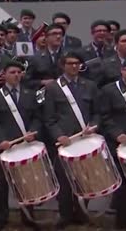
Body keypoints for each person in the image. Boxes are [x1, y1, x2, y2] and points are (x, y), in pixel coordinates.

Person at [43, 52, 100, 230]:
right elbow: (49, 118)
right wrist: (58, 135)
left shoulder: (90, 86)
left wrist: (95, 125)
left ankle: (81, 212)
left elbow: (98, 112)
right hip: (65, 141)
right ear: (63, 65)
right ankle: (65, 214)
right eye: (70, 63)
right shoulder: (53, 88)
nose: (74, 66)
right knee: (65, 179)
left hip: (86, 139)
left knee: (85, 178)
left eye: (77, 63)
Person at [0, 60, 41, 231]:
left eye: (19, 72)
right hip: (5, 146)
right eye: (12, 72)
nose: (16, 75)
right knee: (1, 186)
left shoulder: (30, 93)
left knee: (27, 183)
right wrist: (0, 140)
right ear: (4, 75)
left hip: (25, 145)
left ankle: (28, 217)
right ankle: (1, 219)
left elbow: (38, 117)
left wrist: (34, 131)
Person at [100, 57, 126, 229]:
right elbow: (105, 117)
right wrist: (117, 134)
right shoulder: (109, 91)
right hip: (121, 144)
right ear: (122, 71)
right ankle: (122, 221)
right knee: (123, 186)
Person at [25, 24, 66, 90]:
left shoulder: (69, 56)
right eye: (54, 34)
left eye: (60, 34)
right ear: (46, 37)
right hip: (44, 94)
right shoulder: (35, 58)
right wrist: (42, 82)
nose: (58, 36)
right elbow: (27, 82)